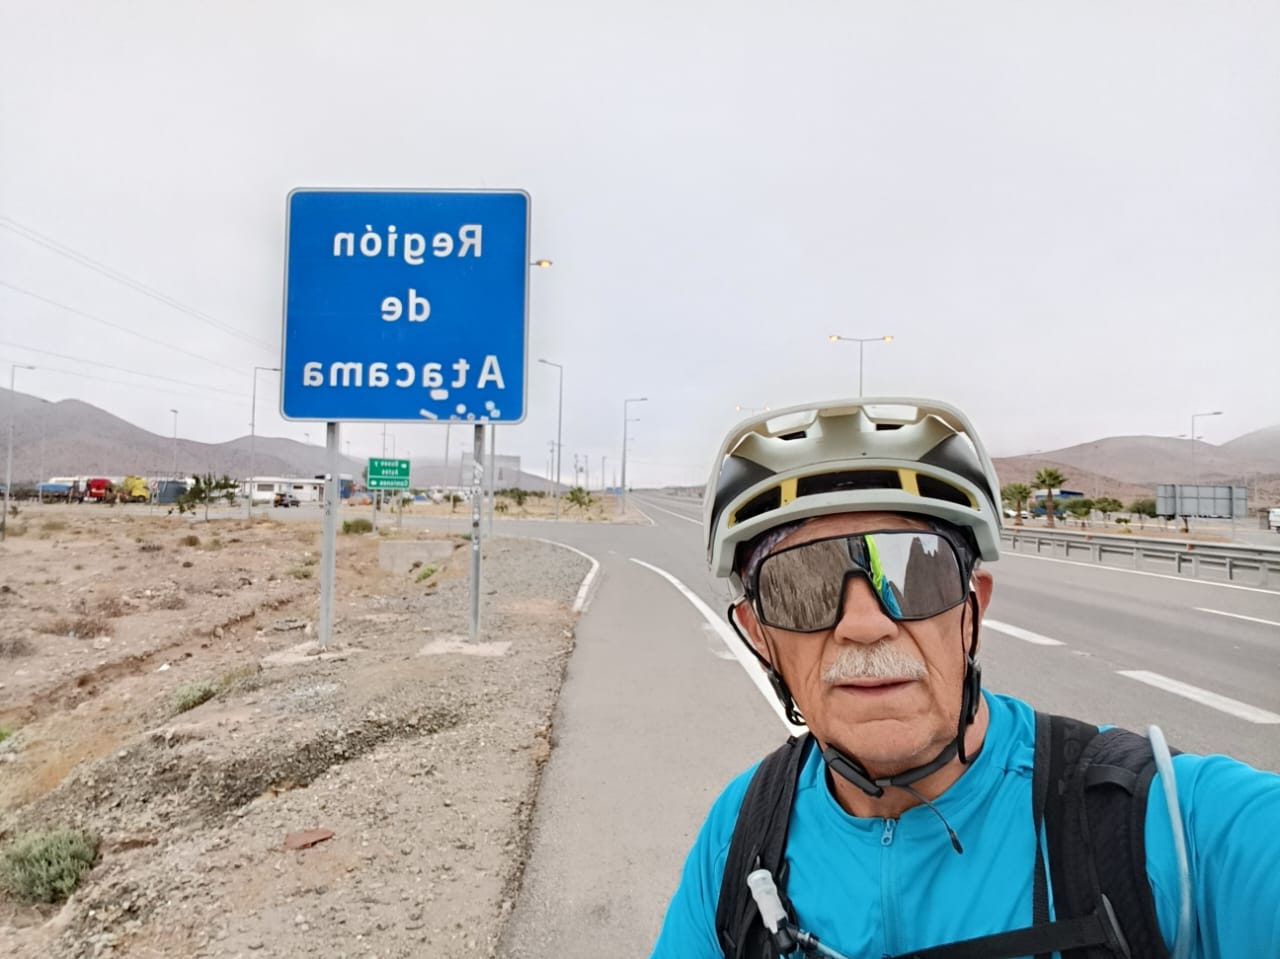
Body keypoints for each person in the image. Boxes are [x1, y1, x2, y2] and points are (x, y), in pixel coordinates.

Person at [650, 397, 1279, 959]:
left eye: (914, 571)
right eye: (801, 586)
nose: (865, 625)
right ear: (759, 636)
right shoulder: (743, 832)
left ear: (972, 609)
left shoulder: (1162, 826)